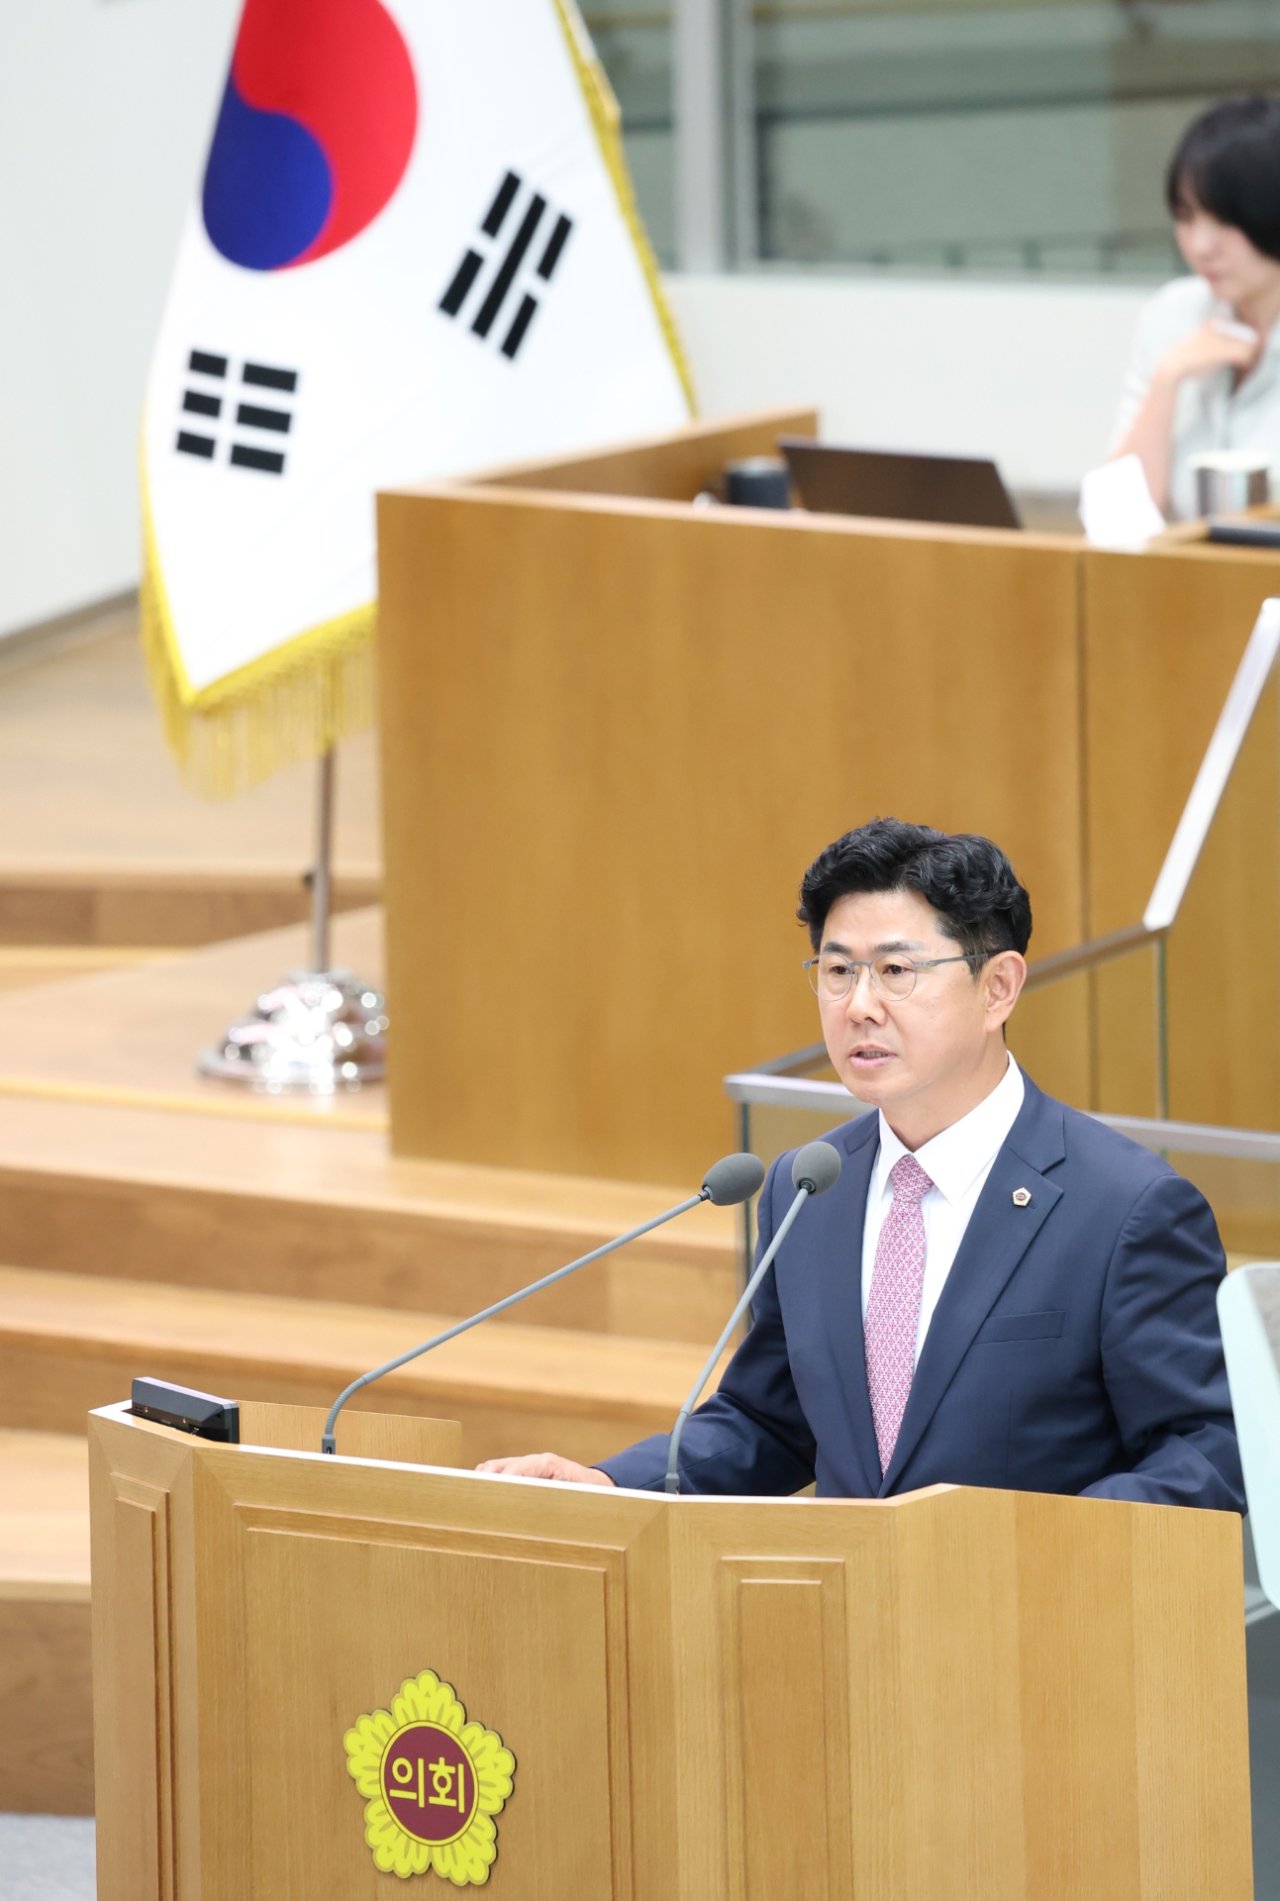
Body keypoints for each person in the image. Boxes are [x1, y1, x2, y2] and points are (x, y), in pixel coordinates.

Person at [480, 819, 1243, 1511]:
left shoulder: (1127, 1207)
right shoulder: (810, 1186)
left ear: (999, 987)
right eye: (838, 971)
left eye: (896, 970)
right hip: (849, 1611)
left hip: (1037, 1612)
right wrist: (611, 1483)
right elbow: (769, 1421)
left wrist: (1030, 1550)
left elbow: (1208, 1450)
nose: (859, 1005)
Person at [1111, 94, 1280, 519]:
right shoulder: (1173, 313)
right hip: (1182, 563)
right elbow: (1118, 520)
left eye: (1225, 219)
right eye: (1186, 217)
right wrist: (1168, 380)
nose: (1201, 246)